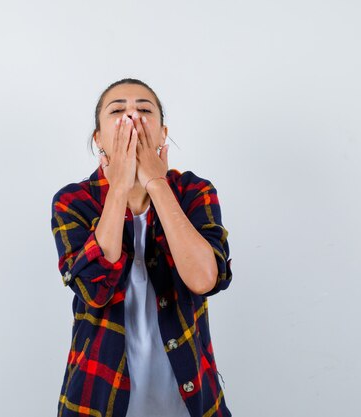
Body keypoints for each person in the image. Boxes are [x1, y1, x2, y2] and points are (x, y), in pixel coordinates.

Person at [50, 78, 233, 417]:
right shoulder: (73, 201)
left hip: (191, 403)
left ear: (163, 134)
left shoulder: (194, 191)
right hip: (95, 401)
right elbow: (94, 289)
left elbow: (205, 278)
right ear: (99, 139)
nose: (132, 116)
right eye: (118, 110)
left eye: (144, 109)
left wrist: (156, 183)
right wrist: (119, 187)